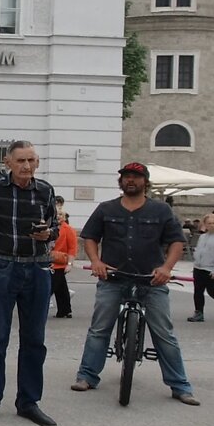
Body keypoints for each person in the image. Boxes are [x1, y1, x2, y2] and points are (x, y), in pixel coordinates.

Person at [71, 163, 199, 405]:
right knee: (99, 329)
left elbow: (176, 242)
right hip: (113, 277)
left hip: (151, 280)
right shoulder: (106, 208)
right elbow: (89, 237)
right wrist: (96, 261)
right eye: (126, 177)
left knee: (164, 333)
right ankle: (87, 376)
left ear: (145, 181)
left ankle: (180, 385)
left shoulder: (161, 210)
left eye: (136, 177)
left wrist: (166, 268)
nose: (130, 180)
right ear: (121, 181)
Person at [0, 140, 60, 426]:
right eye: (21, 160)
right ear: (8, 162)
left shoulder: (44, 190)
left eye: (32, 160)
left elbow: (55, 226)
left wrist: (48, 235)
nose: (27, 166)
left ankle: (28, 402)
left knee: (34, 339)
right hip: (2, 266)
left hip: (37, 268)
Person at [188, 213, 214, 323]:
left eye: (213, 223)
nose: (211, 225)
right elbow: (199, 250)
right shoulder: (203, 237)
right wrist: (196, 262)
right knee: (198, 291)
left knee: (213, 292)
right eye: (208, 223)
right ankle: (199, 312)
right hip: (199, 268)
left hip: (213, 269)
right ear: (205, 225)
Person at [50, 210, 78, 319]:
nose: (58, 216)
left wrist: (70, 264)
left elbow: (72, 248)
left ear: (65, 217)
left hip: (60, 263)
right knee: (61, 288)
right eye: (57, 214)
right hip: (50, 261)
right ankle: (65, 311)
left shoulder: (68, 230)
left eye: (61, 215)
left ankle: (63, 310)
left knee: (51, 287)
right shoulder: (51, 228)